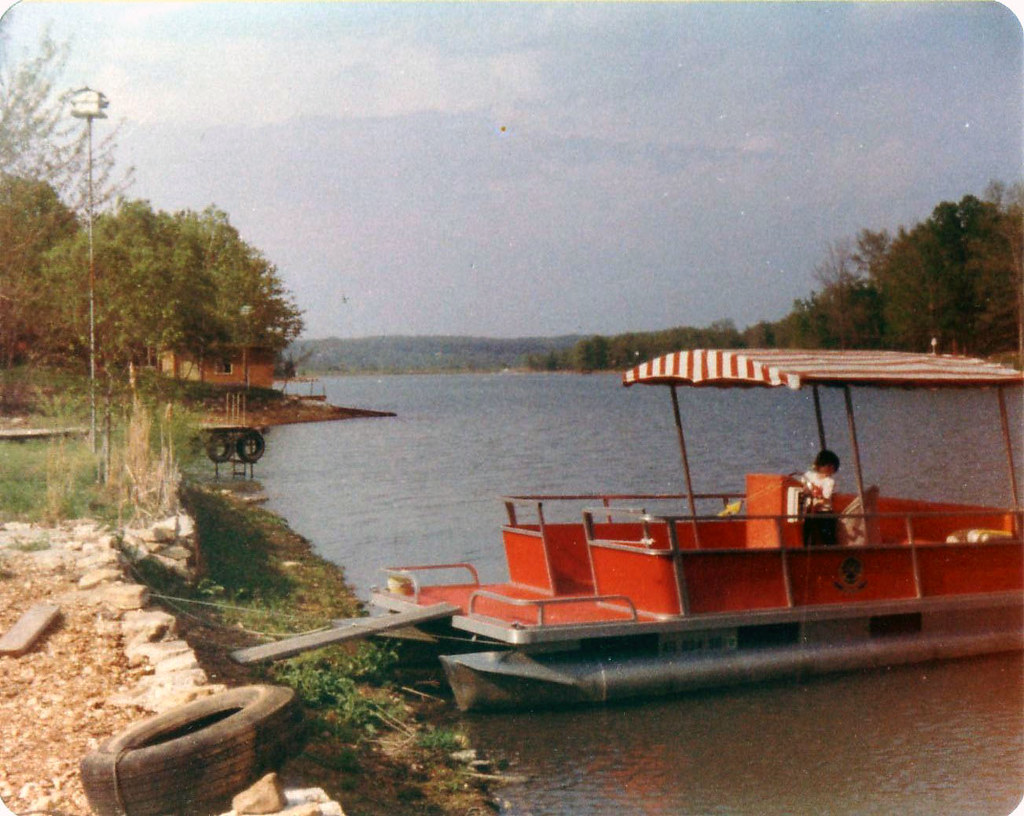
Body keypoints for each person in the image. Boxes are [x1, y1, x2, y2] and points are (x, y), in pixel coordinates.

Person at [801, 449, 840, 546]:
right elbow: (802, 486)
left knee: (827, 534)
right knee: (807, 531)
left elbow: (825, 498)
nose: (831, 469)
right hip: (810, 510)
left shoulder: (829, 481)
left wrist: (816, 503)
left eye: (833, 468)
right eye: (830, 466)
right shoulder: (809, 475)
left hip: (824, 512)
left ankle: (831, 549)